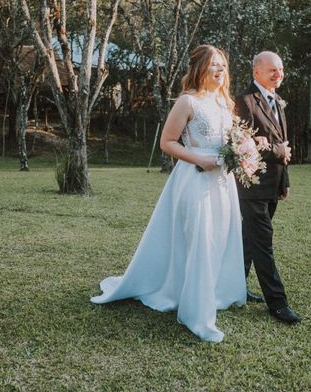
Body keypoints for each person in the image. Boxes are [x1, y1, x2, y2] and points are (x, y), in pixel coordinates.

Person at [91, 45, 246, 342]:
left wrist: (243, 151)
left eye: (223, 65)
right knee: (197, 237)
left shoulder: (226, 102)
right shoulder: (188, 102)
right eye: (214, 64)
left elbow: (231, 140)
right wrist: (198, 158)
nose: (219, 70)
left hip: (223, 183)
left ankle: (213, 290)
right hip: (195, 178)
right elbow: (167, 142)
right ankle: (192, 306)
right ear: (199, 68)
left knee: (219, 236)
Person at [234, 51, 302, 324]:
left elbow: (282, 147)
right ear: (256, 72)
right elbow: (241, 145)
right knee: (263, 242)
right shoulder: (244, 101)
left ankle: (235, 285)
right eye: (272, 70)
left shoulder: (278, 102)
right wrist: (276, 149)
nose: (279, 74)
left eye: (281, 69)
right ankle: (277, 302)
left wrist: (284, 182)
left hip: (273, 184)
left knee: (249, 240)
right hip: (251, 185)